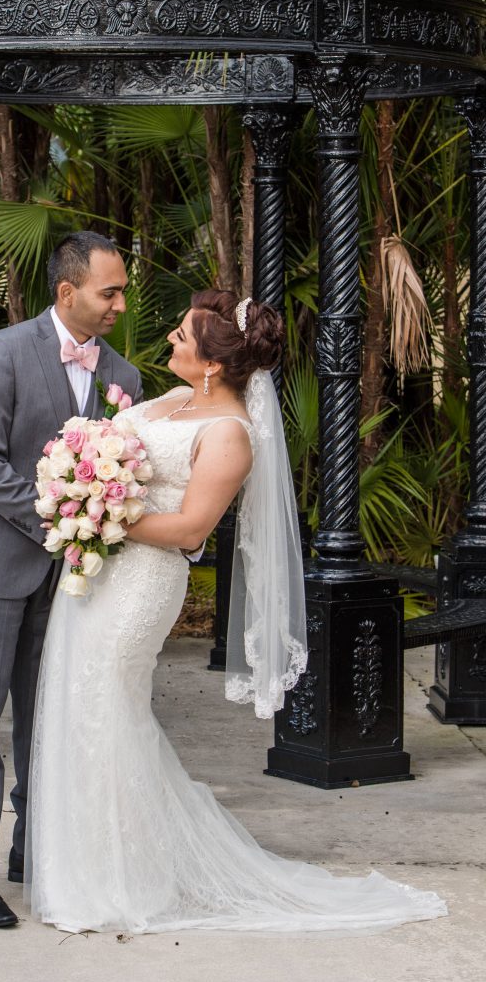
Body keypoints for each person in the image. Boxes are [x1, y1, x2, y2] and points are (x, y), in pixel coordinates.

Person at [26, 290, 447, 933]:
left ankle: (120, 876)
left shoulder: (229, 437)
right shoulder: (174, 401)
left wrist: (99, 513)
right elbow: (119, 448)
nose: (168, 338)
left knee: (107, 706)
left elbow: (192, 528)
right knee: (77, 701)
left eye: (182, 334)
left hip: (141, 583)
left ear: (213, 364)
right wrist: (82, 484)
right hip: (96, 569)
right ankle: (83, 863)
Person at [0, 231, 143, 929]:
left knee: (46, 721)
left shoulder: (125, 375)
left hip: (72, 583)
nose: (120, 303)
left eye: (122, 291)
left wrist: (92, 532)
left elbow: (125, 474)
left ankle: (34, 849)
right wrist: (59, 521)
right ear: (67, 293)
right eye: (108, 292)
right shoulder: (2, 352)